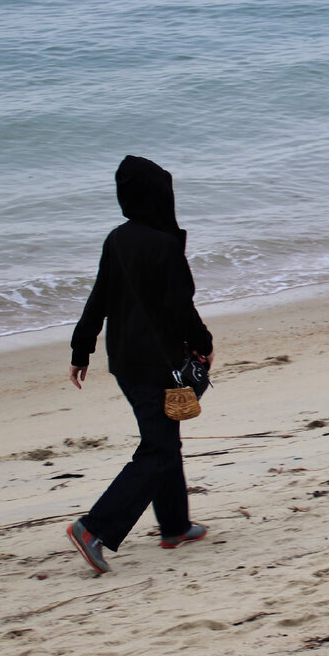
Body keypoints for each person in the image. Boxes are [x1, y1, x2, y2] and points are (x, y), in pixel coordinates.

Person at [66, 155, 215, 573]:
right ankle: (94, 528)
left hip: (125, 362)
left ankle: (175, 525)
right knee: (158, 449)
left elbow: (99, 297)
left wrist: (81, 349)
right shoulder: (164, 244)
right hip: (158, 364)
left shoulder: (117, 239)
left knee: (163, 440)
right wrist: (203, 344)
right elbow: (181, 308)